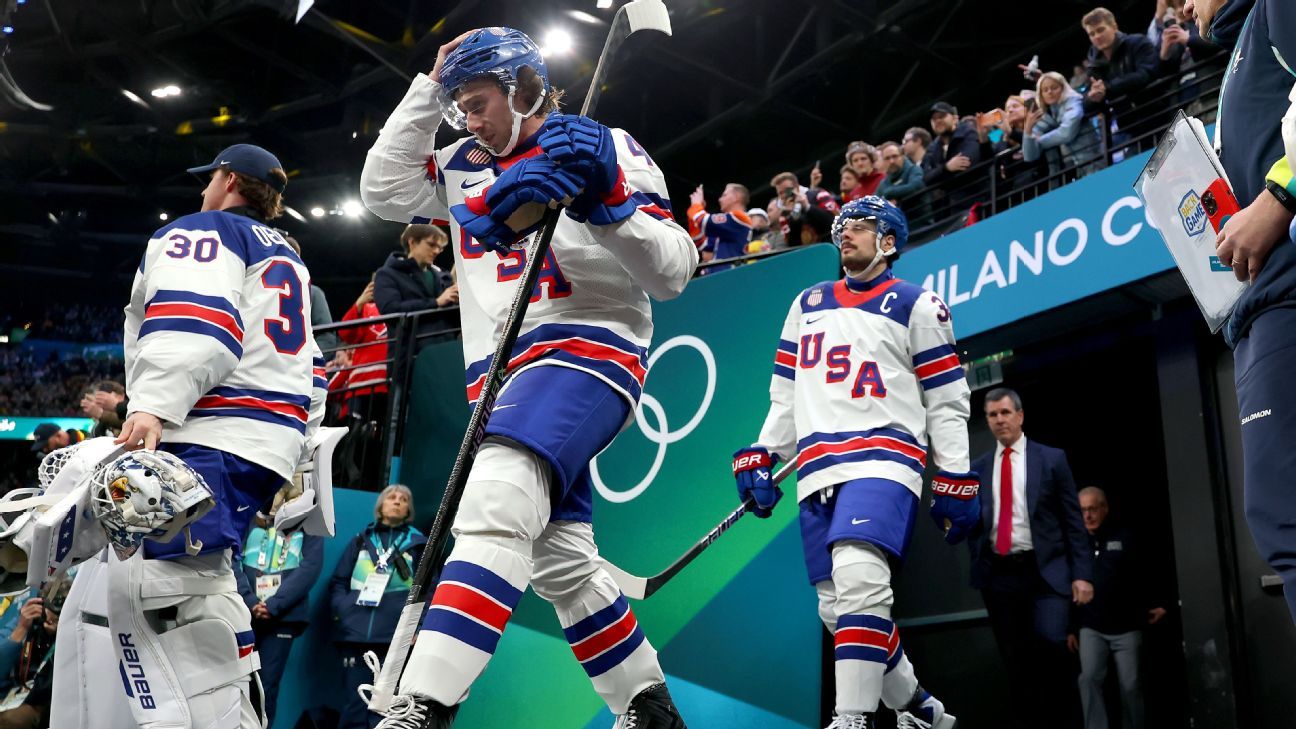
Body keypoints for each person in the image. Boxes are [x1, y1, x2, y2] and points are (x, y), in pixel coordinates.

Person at [359, 26, 696, 728]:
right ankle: (649, 706)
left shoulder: (607, 145)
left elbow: (673, 271)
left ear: (526, 88)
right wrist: (430, 87)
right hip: (502, 375)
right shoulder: (463, 162)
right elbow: (382, 189)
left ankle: (425, 703)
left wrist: (610, 204)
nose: (469, 121)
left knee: (495, 502)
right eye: (460, 108)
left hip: (587, 347)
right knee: (560, 563)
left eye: (477, 103)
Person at [49, 142, 325, 729]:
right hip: (261, 442)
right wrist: (296, 451)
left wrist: (153, 404)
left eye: (209, 180)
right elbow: (313, 370)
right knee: (190, 584)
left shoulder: (206, 230)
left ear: (228, 180)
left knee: (168, 596)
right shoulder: (288, 257)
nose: (202, 190)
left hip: (208, 432)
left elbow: (197, 320)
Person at [734, 197, 974, 729]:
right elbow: (786, 394)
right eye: (843, 226)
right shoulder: (807, 303)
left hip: (884, 459)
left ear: (889, 241)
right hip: (818, 468)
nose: (846, 233)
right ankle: (918, 709)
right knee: (836, 608)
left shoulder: (918, 304)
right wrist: (766, 451)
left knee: (860, 576)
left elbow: (947, 398)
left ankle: (852, 718)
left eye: (861, 227)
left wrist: (955, 474)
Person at [1186, 0, 1296, 625]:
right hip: (1260, 301)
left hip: (1286, 291)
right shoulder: (1246, 44)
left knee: (1287, 516)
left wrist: (1282, 195)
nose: (1182, 7)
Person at [968, 388, 1093, 729]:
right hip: (1000, 574)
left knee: (1052, 645)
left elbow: (1073, 521)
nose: (999, 420)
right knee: (1015, 660)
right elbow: (973, 524)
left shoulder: (1051, 459)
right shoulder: (979, 468)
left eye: (1005, 412)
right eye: (992, 415)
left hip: (1045, 571)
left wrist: (1082, 574)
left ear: (1020, 416)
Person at [329, 486, 426, 729]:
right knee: (354, 707)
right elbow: (339, 581)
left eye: (403, 499)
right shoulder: (361, 540)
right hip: (355, 636)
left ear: (408, 510)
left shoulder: (417, 544)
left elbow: (430, 589)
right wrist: (343, 611)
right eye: (392, 497)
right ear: (381, 505)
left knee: (386, 711)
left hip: (395, 639)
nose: (397, 502)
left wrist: (419, 627)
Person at [1069, 487, 1166, 729]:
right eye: (1082, 510)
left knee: (1131, 685)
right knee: (1088, 678)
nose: (1087, 515)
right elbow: (1065, 586)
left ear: (1104, 508)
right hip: (1091, 626)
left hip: (1127, 625)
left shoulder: (1126, 537)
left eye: (1092, 509)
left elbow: (1147, 571)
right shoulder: (1076, 544)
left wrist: (1158, 602)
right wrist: (1069, 627)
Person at [235, 481, 325, 726]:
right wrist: (250, 600)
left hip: (283, 618)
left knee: (266, 687)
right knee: (236, 683)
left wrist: (274, 605)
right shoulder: (250, 516)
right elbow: (231, 560)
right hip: (243, 614)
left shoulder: (310, 524)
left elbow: (311, 567)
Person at [374, 224, 460, 348]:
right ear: (412, 242)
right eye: (431, 245)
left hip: (447, 347)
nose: (436, 251)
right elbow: (390, 309)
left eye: (440, 248)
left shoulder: (442, 276)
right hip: (411, 352)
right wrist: (436, 302)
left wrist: (457, 303)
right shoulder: (386, 274)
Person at [1024, 71, 1102, 179]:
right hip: (1076, 171)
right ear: (1041, 95)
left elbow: (1066, 133)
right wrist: (1027, 131)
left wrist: (1038, 141)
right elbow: (1030, 156)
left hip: (1095, 162)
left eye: (1054, 88)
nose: (1050, 92)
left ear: (1063, 88)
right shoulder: (1045, 115)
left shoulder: (1074, 100)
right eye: (1045, 90)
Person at [688, 183, 753, 274]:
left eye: (724, 195)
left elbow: (704, 221)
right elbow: (700, 241)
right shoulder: (728, 227)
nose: (720, 199)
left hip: (729, 274)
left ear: (736, 197)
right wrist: (695, 210)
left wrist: (696, 205)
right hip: (722, 274)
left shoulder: (740, 218)